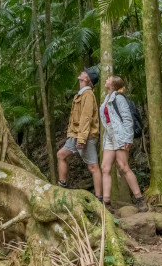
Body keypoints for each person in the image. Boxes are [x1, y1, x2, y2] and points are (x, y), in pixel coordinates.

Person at [99, 76, 147, 212]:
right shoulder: (106, 99)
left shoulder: (119, 98)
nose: (106, 80)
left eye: (108, 79)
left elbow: (127, 119)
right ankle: (106, 203)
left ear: (114, 84)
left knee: (123, 167)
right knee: (105, 168)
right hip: (109, 135)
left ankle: (139, 200)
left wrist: (127, 139)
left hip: (120, 135)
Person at [56, 67, 102, 195]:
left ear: (87, 79)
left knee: (93, 167)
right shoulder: (82, 94)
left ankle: (100, 199)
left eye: (84, 73)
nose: (81, 73)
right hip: (76, 135)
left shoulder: (88, 95)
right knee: (61, 155)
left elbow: (86, 117)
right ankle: (62, 186)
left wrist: (82, 139)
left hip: (85, 136)